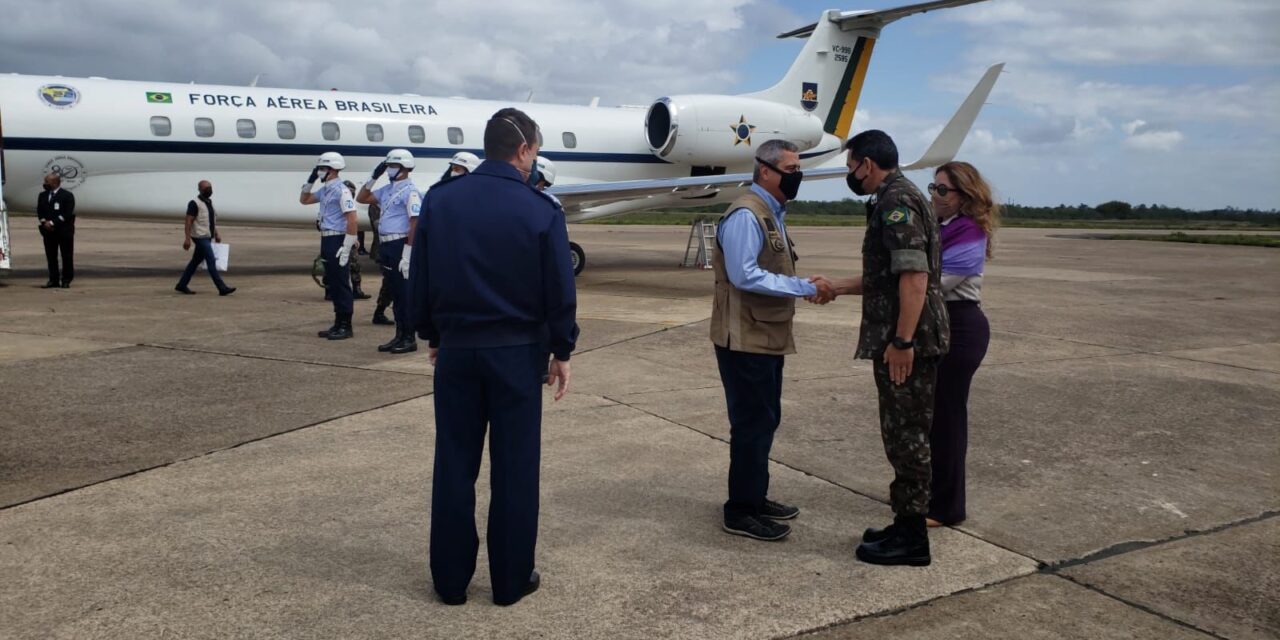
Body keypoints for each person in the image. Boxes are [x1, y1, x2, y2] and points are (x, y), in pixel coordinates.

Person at [411, 107, 577, 607]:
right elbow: (559, 290)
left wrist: (431, 333)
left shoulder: (441, 201)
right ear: (524, 149)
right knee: (515, 468)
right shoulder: (541, 209)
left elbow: (421, 279)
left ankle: (451, 581)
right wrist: (561, 349)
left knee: (455, 464)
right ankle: (509, 580)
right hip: (517, 355)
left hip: (458, 351)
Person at [812, 129, 949, 566]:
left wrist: (903, 341)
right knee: (901, 432)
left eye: (851, 166)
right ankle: (904, 522)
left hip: (908, 340)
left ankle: (912, 540)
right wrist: (837, 287)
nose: (850, 174)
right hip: (906, 334)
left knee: (906, 435)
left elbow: (914, 278)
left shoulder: (895, 202)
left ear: (866, 164)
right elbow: (889, 278)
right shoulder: (901, 195)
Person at [710, 139, 833, 542]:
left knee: (764, 421)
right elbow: (745, 274)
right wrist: (802, 286)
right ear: (765, 170)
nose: (797, 176)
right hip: (744, 337)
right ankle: (740, 511)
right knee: (751, 425)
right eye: (791, 169)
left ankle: (755, 497)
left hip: (764, 334)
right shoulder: (747, 214)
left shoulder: (771, 213)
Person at [925, 161, 996, 527]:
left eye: (942, 190)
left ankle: (946, 507)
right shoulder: (939, 227)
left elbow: (931, 284)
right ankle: (932, 495)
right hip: (939, 323)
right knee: (932, 417)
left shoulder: (969, 231)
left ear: (963, 196)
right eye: (933, 187)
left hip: (960, 327)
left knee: (948, 419)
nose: (934, 195)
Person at [356, 149, 421, 355]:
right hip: (386, 245)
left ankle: (409, 337)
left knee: (403, 294)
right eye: (388, 166)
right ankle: (399, 335)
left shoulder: (410, 192)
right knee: (394, 290)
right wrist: (373, 176)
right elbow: (362, 197)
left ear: (405, 168)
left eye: (393, 166)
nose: (389, 170)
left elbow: (415, 222)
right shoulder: (387, 189)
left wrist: (408, 253)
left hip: (400, 244)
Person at [300, 152, 359, 340]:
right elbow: (304, 199)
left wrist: (348, 244)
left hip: (338, 238)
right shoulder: (326, 189)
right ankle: (337, 322)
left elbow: (352, 218)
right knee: (332, 282)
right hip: (326, 238)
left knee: (341, 283)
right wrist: (310, 180)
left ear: (333, 170)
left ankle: (346, 325)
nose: (319, 172)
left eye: (322, 169)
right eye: (318, 169)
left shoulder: (342, 190)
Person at [174, 181, 235, 296]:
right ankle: (222, 288)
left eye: (210, 187)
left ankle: (182, 284)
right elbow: (188, 221)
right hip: (199, 237)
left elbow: (210, 221)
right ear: (200, 190)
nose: (209, 190)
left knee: (195, 261)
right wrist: (187, 239)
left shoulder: (209, 202)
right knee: (211, 261)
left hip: (207, 236)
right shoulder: (194, 203)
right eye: (206, 188)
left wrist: (216, 234)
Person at [36, 173, 75, 288]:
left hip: (64, 231)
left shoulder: (67, 195)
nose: (45, 184)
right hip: (48, 231)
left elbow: (67, 214)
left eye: (47, 182)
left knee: (66, 256)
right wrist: (44, 222)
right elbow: (40, 211)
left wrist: (52, 222)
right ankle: (53, 280)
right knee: (51, 256)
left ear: (54, 183)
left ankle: (66, 280)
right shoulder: (42, 195)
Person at [365, 200, 395, 326]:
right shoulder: (375, 206)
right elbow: (379, 225)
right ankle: (379, 312)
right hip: (383, 248)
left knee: (391, 283)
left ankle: (380, 312)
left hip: (392, 247)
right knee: (390, 283)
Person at [341, 180, 371, 301]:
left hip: (350, 239)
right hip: (337, 239)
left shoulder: (349, 204)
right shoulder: (333, 204)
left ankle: (356, 290)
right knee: (335, 267)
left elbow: (353, 222)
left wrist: (354, 238)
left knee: (355, 265)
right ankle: (331, 291)